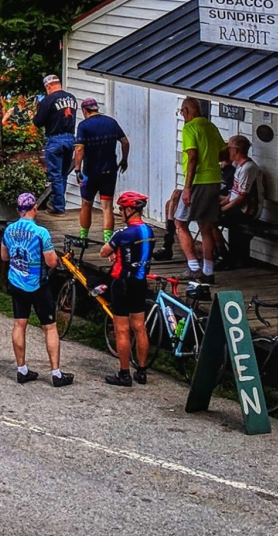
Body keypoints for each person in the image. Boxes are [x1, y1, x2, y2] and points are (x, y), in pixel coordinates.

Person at [0, 192, 74, 387]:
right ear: (35, 208)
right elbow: (51, 261)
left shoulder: (8, 230)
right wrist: (58, 259)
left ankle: (21, 369)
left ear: (18, 210)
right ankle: (56, 374)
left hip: (16, 283)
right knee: (49, 327)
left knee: (19, 325)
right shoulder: (41, 232)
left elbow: (4, 257)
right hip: (38, 285)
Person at [100, 190, 155, 388]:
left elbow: (103, 251)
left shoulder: (123, 233)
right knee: (140, 327)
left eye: (122, 209)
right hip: (140, 282)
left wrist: (115, 253)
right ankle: (141, 371)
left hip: (122, 283)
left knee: (122, 330)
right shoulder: (149, 231)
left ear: (130, 209)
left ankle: (124, 374)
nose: (120, 212)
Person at [174, 98, 225, 282]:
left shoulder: (190, 128)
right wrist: (210, 154)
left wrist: (187, 188)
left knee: (180, 223)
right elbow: (224, 153)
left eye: (182, 112)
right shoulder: (210, 127)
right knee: (206, 227)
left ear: (188, 110)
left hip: (198, 181)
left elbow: (193, 157)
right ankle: (208, 271)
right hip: (214, 180)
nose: (183, 115)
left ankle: (193, 267)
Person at [74, 98, 130, 242]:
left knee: (86, 203)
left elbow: (79, 149)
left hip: (90, 172)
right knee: (107, 206)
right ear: (96, 108)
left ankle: (83, 237)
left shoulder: (84, 126)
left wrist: (77, 169)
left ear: (84, 111)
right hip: (109, 171)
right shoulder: (111, 122)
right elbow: (125, 142)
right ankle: (107, 240)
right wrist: (124, 159)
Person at [32, 74, 78, 215]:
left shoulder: (48, 100)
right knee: (63, 174)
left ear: (48, 86)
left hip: (55, 139)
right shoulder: (71, 98)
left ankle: (58, 207)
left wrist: (37, 110)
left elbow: (38, 122)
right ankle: (59, 203)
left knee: (55, 175)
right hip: (70, 138)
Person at [219, 134, 264, 269]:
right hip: (237, 206)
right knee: (211, 216)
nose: (228, 151)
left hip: (248, 210)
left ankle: (227, 257)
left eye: (229, 148)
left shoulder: (248, 168)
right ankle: (225, 255)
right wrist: (220, 205)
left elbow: (241, 198)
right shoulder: (239, 166)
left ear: (236, 150)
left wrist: (223, 210)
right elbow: (232, 194)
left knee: (217, 219)